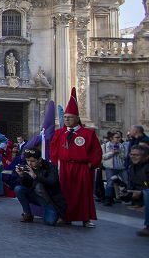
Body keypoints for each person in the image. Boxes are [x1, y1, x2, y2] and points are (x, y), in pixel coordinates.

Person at [49, 88, 102, 228]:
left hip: (81, 168)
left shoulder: (88, 134)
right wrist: (56, 164)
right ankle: (64, 216)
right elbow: (53, 150)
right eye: (65, 117)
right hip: (64, 168)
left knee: (83, 194)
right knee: (64, 193)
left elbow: (96, 152)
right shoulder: (59, 133)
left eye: (70, 117)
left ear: (77, 118)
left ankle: (85, 218)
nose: (66, 119)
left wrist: (91, 164)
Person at [15, 148, 66, 225]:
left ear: (40, 159)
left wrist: (35, 176)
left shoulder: (50, 167)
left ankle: (57, 215)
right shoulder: (28, 167)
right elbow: (26, 185)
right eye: (27, 160)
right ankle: (27, 214)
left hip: (50, 199)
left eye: (32, 161)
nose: (29, 163)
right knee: (18, 189)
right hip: (36, 196)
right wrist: (21, 176)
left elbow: (52, 182)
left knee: (50, 222)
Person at [122, 144, 149, 236]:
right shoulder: (131, 168)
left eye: (137, 155)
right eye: (132, 154)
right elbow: (132, 185)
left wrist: (141, 192)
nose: (133, 157)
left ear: (146, 156)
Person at [101, 130, 127, 206]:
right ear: (112, 138)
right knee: (110, 183)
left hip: (121, 167)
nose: (119, 139)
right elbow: (102, 157)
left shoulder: (122, 145)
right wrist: (112, 153)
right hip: (110, 168)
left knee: (125, 182)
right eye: (117, 137)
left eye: (119, 137)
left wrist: (119, 153)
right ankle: (108, 199)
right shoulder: (105, 146)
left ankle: (125, 197)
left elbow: (125, 156)